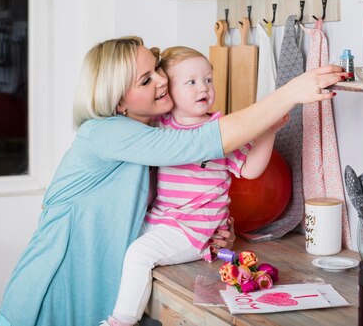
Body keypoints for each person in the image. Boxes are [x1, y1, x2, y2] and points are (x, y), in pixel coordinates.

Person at [0, 36, 347, 326]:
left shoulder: (143, 135)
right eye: (146, 80)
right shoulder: (105, 133)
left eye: (156, 69)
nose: (161, 81)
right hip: (52, 288)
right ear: (118, 101)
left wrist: (210, 228)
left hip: (92, 288)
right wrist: (286, 94)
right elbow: (197, 143)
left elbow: (164, 198)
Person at [105, 46, 289, 326]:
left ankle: (121, 321)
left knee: (139, 255)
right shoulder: (161, 125)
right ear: (168, 92)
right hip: (161, 219)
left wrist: (268, 132)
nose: (203, 87)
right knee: (120, 245)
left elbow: (251, 170)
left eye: (207, 79)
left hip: (192, 228)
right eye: (190, 82)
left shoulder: (222, 131)